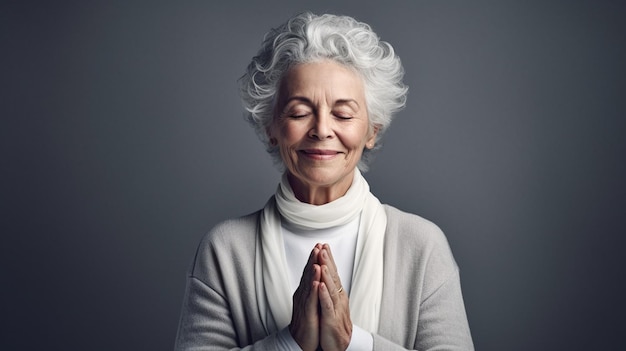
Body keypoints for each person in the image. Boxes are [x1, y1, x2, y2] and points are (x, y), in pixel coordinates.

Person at [175, 12, 474, 350]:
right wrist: (288, 342)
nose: (321, 129)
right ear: (270, 127)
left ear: (372, 130)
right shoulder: (225, 250)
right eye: (300, 112)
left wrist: (353, 342)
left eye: (343, 114)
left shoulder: (421, 245)